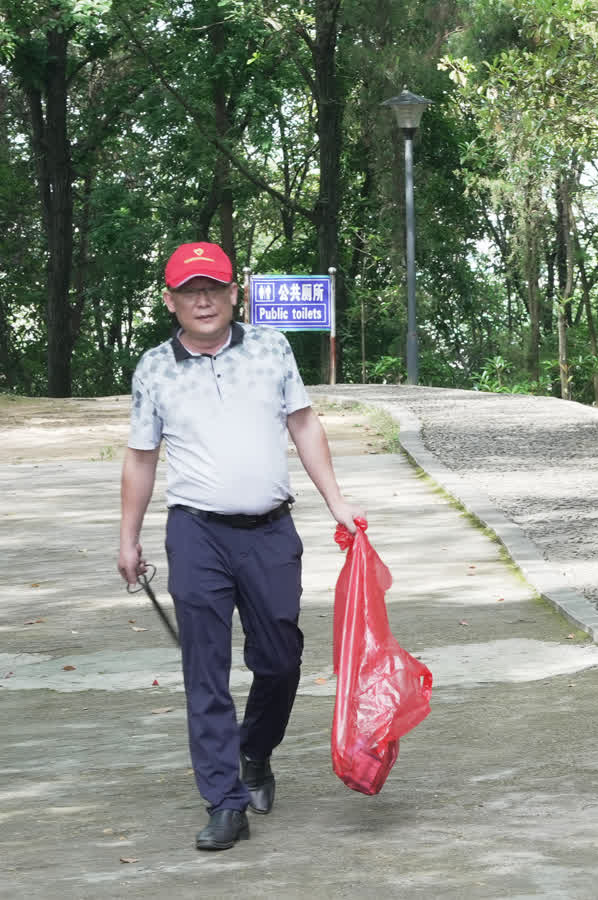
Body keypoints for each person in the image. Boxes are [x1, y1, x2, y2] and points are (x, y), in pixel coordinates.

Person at [117, 242, 363, 850]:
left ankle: (255, 752)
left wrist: (339, 505)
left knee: (280, 659)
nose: (202, 299)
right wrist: (128, 538)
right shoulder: (154, 367)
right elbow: (141, 457)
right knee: (205, 670)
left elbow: (303, 423)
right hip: (196, 532)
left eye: (213, 288)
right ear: (171, 301)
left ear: (234, 294)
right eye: (188, 290)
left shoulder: (271, 349)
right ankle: (225, 802)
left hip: (271, 531)